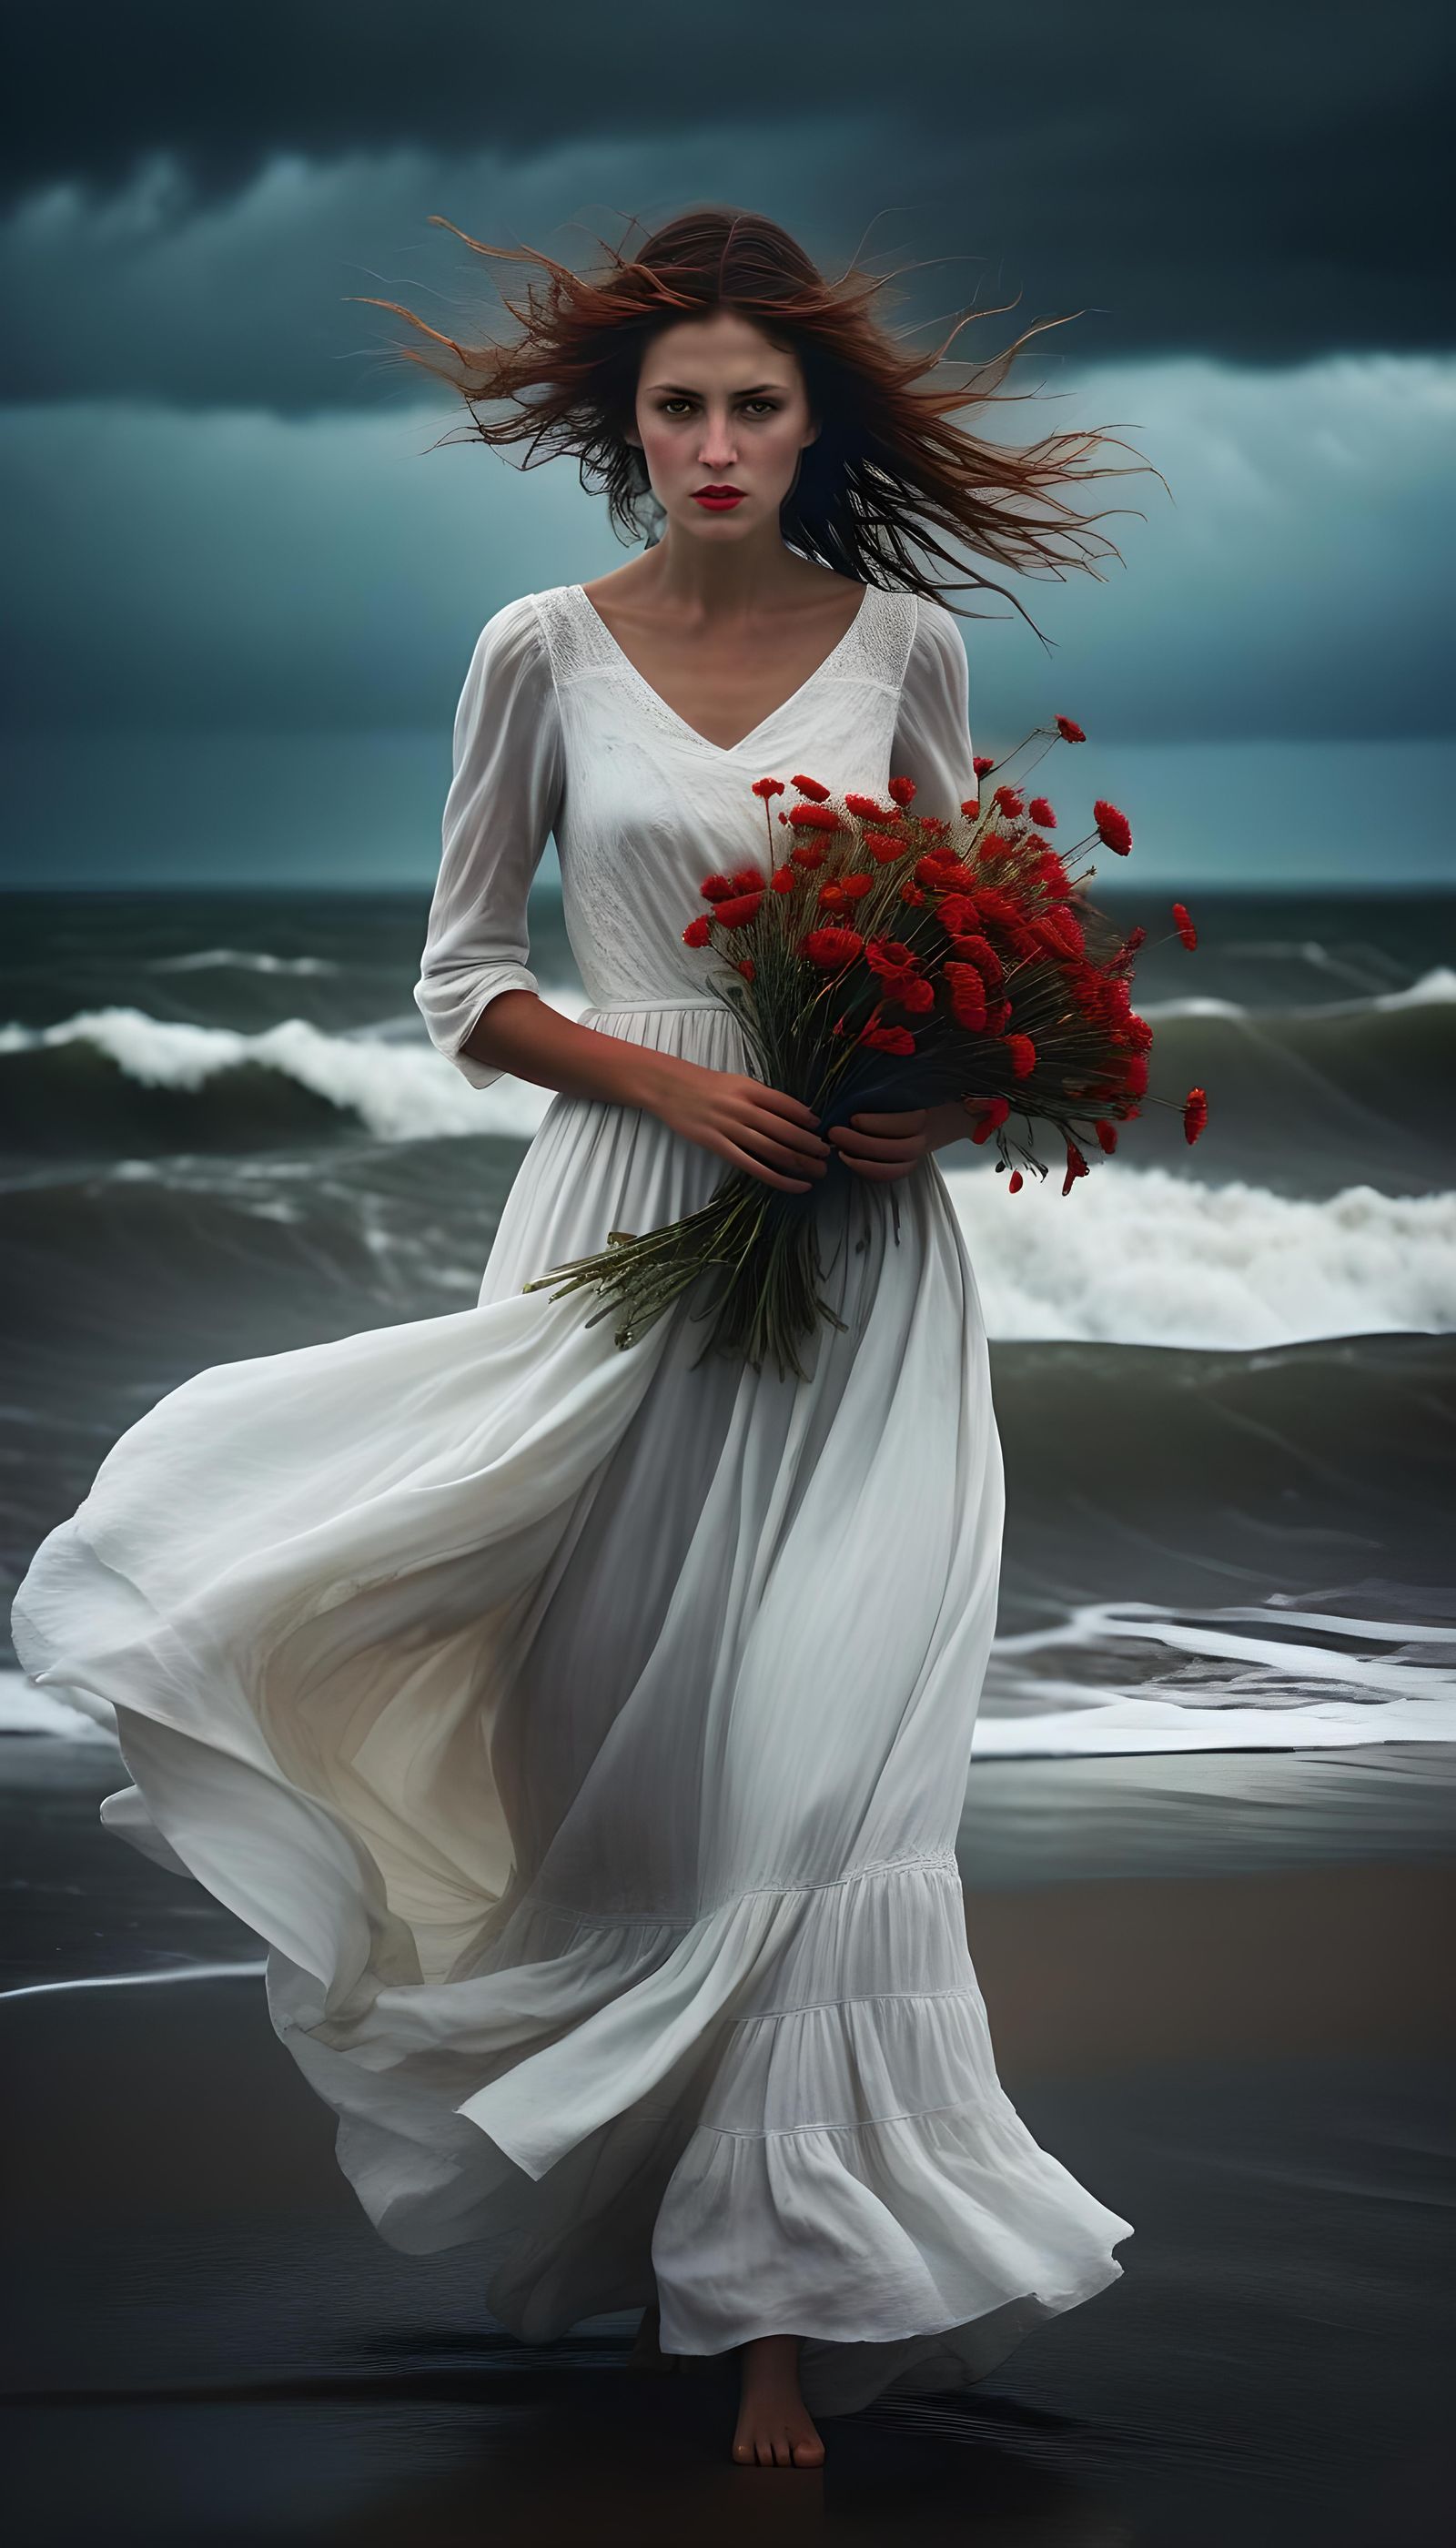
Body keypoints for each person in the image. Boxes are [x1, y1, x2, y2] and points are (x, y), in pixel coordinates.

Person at [13, 207, 1138, 2472]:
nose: (714, 439)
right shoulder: (535, 646)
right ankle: (676, 2225)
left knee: (815, 1769)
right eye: (677, 407)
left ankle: (780, 2321)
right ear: (622, 434)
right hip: (626, 1224)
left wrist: (945, 1086)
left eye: (752, 404)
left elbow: (986, 944)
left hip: (859, 1256)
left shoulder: (901, 641)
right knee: (632, 1760)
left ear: (808, 430)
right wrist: (669, 1077)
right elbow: (460, 981)